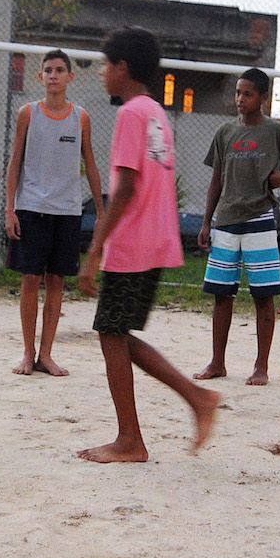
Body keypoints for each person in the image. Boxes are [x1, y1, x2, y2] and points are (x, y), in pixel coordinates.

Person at [76, 27, 220, 463]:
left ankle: (132, 440)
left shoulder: (131, 115)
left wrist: (96, 247)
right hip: (156, 239)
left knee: (111, 333)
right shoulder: (156, 112)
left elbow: (125, 187)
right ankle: (194, 398)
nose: (101, 73)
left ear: (122, 68)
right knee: (115, 333)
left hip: (133, 241)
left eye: (105, 64)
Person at [194, 69, 280, 387]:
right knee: (221, 294)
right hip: (226, 222)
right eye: (238, 93)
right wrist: (207, 221)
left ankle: (261, 366)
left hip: (259, 220)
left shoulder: (275, 131)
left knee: (263, 296)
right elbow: (216, 179)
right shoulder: (225, 132)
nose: (240, 99)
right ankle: (217, 362)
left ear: (262, 97)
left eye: (248, 94)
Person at [6, 49, 103, 376]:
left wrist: (102, 211)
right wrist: (10, 208)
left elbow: (90, 163)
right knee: (30, 279)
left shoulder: (82, 117)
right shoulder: (28, 113)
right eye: (48, 69)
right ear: (40, 76)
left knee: (57, 280)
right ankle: (27, 352)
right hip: (31, 207)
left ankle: (46, 354)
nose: (53, 75)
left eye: (60, 69)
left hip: (67, 210)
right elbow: (15, 162)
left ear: (70, 77)